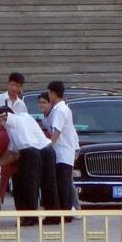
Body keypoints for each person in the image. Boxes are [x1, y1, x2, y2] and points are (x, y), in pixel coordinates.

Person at [0, 106, 57, 213]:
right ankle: (53, 215)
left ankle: (30, 216)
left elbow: (15, 153)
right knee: (49, 185)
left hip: (31, 153)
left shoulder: (12, 121)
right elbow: (12, 151)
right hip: (46, 149)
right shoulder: (24, 119)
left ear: (4, 116)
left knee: (30, 186)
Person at [46, 81, 78, 216]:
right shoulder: (64, 109)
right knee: (64, 183)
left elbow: (57, 131)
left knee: (63, 184)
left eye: (49, 93)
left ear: (53, 93)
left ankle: (65, 213)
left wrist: (48, 146)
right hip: (66, 151)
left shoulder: (60, 110)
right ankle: (65, 212)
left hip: (62, 152)